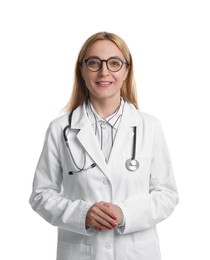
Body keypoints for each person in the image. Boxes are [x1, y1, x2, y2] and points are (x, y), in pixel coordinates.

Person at [29, 31, 179, 260]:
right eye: (93, 63)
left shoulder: (149, 127)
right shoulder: (60, 129)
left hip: (138, 253)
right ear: (82, 69)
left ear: (127, 70)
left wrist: (125, 213)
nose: (104, 72)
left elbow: (167, 195)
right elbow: (41, 195)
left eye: (114, 63)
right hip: (80, 252)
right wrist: (82, 215)